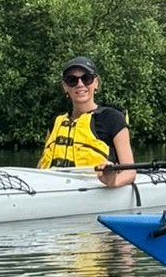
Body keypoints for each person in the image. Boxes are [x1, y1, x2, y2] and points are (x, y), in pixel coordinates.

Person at [37, 56, 136, 188]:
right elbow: (40, 166)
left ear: (96, 83)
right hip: (52, 189)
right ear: (65, 87)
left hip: (95, 190)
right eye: (72, 80)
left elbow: (130, 172)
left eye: (86, 78)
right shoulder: (56, 122)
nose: (80, 84)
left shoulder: (112, 118)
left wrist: (112, 181)